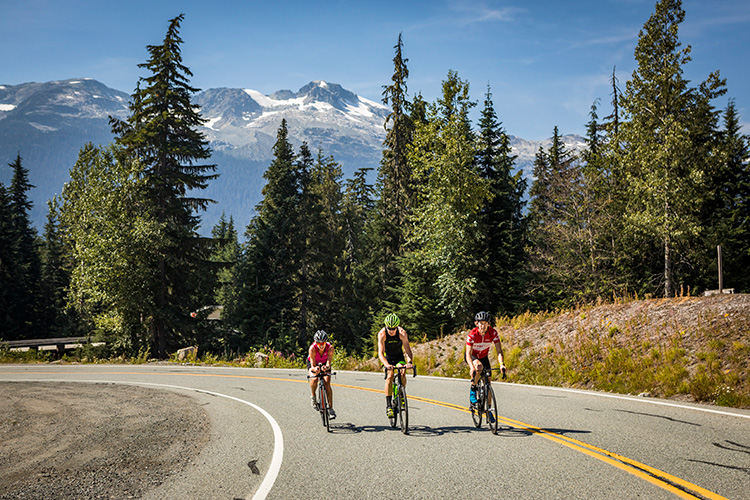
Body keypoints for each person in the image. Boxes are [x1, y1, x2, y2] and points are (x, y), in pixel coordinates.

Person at [466, 311, 506, 413]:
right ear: (476, 324)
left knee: (488, 381)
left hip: (484, 357)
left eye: (485, 323)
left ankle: (488, 409)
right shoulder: (472, 334)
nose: (483, 326)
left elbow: (499, 351)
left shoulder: (493, 333)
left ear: (488, 323)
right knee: (478, 367)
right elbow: (468, 354)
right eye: (481, 323)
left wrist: (502, 364)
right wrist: (471, 367)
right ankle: (473, 388)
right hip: (473, 357)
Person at [377, 313, 414, 418]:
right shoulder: (382, 334)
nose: (391, 331)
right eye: (389, 328)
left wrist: (409, 362)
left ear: (397, 327)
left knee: (402, 372)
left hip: (398, 357)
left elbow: (407, 350)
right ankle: (388, 405)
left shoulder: (402, 333)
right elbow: (380, 353)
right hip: (388, 358)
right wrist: (387, 365)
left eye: (393, 328)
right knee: (390, 375)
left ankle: (401, 395)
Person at [307, 329, 335, 419]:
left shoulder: (330, 348)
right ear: (316, 343)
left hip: (324, 363)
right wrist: (315, 369)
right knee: (314, 379)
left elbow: (328, 362)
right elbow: (312, 364)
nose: (321, 345)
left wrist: (326, 367)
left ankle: (331, 409)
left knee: (327, 383)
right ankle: (313, 396)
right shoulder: (312, 348)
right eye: (319, 343)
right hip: (314, 363)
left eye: (323, 343)